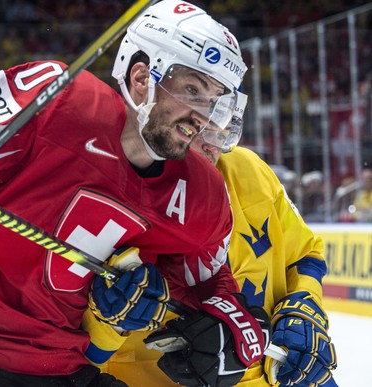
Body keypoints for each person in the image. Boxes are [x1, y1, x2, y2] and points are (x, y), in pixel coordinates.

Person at [0, 1, 268, 386]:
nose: (203, 115)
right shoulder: (61, 102)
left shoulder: (202, 194)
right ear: (142, 78)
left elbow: (209, 283)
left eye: (215, 100)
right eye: (193, 90)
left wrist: (225, 325)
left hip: (64, 365)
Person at [87, 103, 338, 385]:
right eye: (198, 131)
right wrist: (110, 324)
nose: (211, 146)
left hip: (286, 376)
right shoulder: (108, 194)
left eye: (221, 132)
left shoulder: (249, 170)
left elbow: (306, 256)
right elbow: (76, 356)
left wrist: (304, 304)